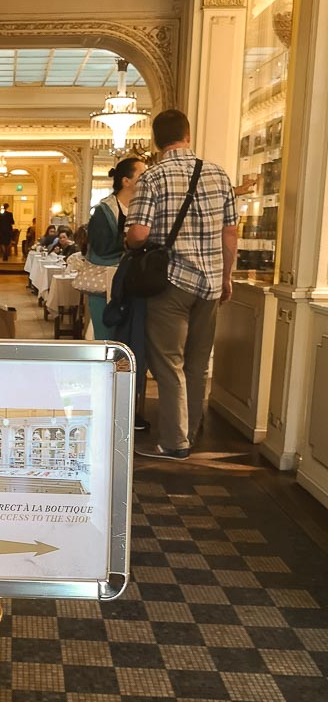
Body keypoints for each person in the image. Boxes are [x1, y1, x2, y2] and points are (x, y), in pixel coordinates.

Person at [125, 109, 237, 460]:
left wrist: (130, 241)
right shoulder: (219, 174)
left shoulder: (153, 177)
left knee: (168, 362)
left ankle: (174, 442)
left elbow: (139, 234)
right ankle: (190, 431)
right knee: (197, 363)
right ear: (187, 135)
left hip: (171, 281)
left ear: (157, 141)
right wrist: (226, 276)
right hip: (210, 282)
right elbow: (230, 233)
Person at [88, 157, 147, 340]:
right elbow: (101, 246)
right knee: (108, 337)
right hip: (107, 282)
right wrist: (131, 241)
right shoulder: (104, 211)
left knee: (132, 336)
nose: (147, 178)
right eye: (142, 174)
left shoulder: (145, 208)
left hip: (135, 282)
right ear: (126, 181)